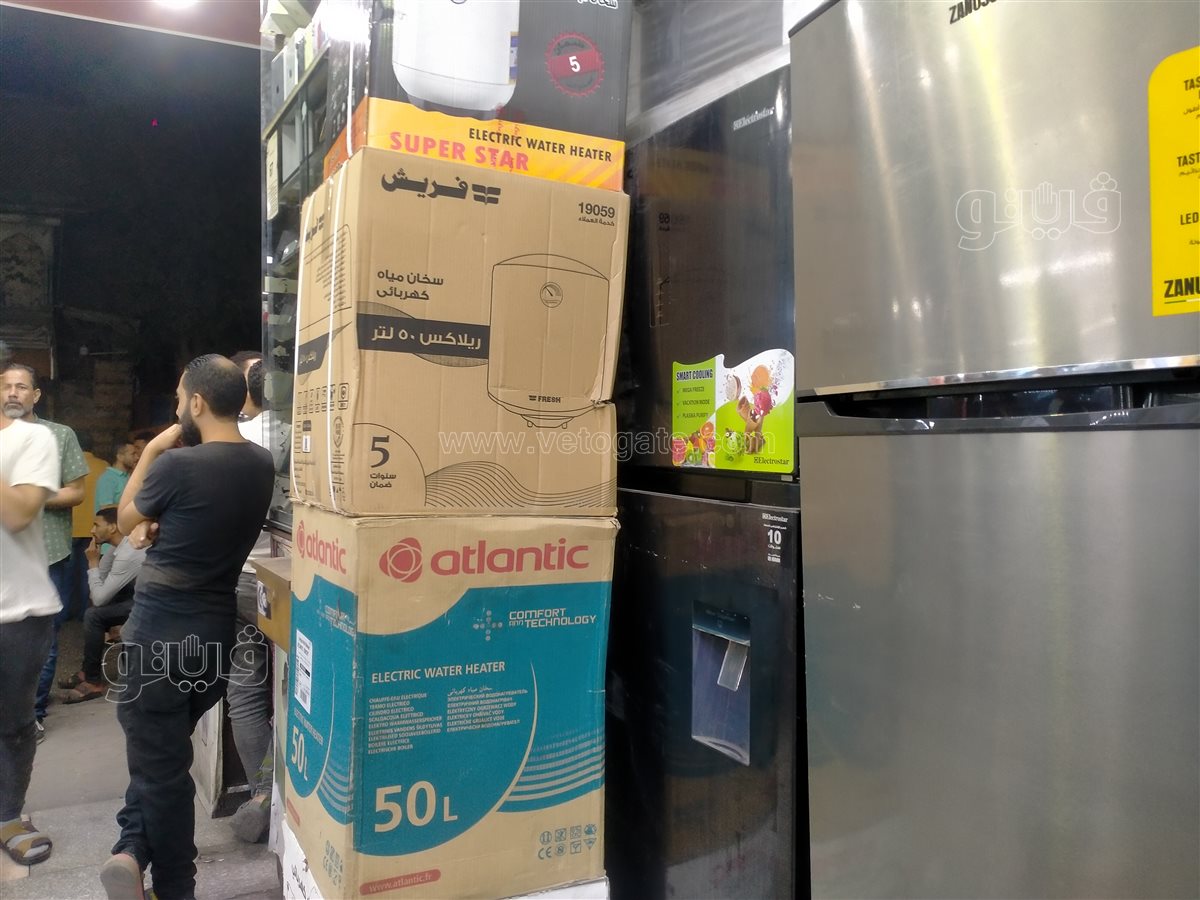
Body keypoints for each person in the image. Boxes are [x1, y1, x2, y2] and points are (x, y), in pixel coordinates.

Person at [101, 355, 274, 900]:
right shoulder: (262, 463)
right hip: (215, 638)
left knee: (161, 772)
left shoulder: (177, 466)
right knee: (162, 754)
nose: (177, 407)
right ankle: (131, 848)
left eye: (179, 398)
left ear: (196, 402)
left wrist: (154, 449)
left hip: (159, 635)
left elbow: (125, 519)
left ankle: (175, 886)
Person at [1, 364, 88, 737]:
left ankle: (31, 713)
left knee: (44, 638)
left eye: (22, 387)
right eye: (6, 386)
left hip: (46, 552)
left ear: (36, 395)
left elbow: (77, 492)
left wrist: (32, 495)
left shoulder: (59, 435)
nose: (13, 392)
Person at [224, 352, 290, 843]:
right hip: (288, 576)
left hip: (241, 578)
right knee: (295, 689)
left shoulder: (233, 439)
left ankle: (262, 793)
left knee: (245, 692)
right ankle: (288, 799)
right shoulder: (301, 432)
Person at [0, 377, 61, 865]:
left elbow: (19, 513)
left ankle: (8, 817)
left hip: (18, 609)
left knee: (14, 724)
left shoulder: (32, 438)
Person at [58, 506, 146, 704]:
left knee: (94, 615)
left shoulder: (128, 553)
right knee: (97, 610)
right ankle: (88, 670)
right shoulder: (117, 547)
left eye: (97, 525)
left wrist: (92, 564)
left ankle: (93, 681)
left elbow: (99, 596)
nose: (92, 530)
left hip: (153, 602)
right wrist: (96, 565)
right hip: (137, 596)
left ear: (113, 527)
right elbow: (98, 590)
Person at [69, 432, 110, 621]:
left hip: (70, 528)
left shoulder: (69, 465)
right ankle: (83, 613)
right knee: (89, 572)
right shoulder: (104, 466)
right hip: (95, 529)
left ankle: (64, 613)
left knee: (66, 573)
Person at [95, 440, 140, 511]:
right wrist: (135, 505)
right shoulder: (108, 479)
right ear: (120, 457)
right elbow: (105, 508)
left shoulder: (129, 476)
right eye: (133, 454)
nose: (137, 457)